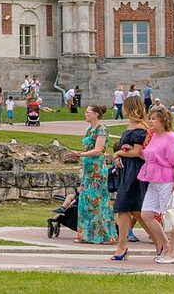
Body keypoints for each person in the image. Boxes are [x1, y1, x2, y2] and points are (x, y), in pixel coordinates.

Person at [132, 105, 174, 265]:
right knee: (147, 214)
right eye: (150, 119)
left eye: (153, 119)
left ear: (163, 121)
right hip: (154, 180)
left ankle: (172, 252)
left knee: (170, 217)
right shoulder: (154, 137)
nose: (150, 122)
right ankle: (166, 244)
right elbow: (151, 157)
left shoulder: (170, 137)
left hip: (168, 180)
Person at [68, 104, 116, 244]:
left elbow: (98, 150)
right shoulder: (89, 130)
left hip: (97, 170)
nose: (85, 114)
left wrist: (79, 154)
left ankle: (106, 235)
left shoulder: (101, 130)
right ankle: (86, 234)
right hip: (88, 168)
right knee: (85, 200)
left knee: (98, 201)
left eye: (87, 112)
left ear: (95, 114)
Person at [110, 97, 149, 256]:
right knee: (124, 209)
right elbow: (129, 149)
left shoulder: (140, 127)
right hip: (127, 169)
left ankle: (160, 242)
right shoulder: (130, 125)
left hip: (134, 171)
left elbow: (138, 152)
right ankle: (122, 246)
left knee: (135, 210)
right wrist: (120, 155)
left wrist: (118, 152)